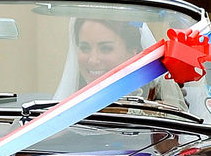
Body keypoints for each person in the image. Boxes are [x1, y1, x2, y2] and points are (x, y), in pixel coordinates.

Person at [54, 18, 187, 111]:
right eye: (85, 48)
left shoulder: (161, 114)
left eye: (106, 48)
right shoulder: (61, 118)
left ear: (133, 53)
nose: (93, 60)